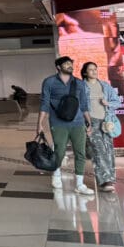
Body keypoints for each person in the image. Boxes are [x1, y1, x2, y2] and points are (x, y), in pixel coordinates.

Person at [39, 56, 93, 194]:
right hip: (58, 123)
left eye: (71, 63)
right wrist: (40, 124)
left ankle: (80, 184)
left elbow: (84, 104)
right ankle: (56, 174)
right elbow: (44, 104)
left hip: (78, 122)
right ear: (58, 67)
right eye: (66, 64)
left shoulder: (79, 83)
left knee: (80, 153)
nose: (70, 66)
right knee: (59, 151)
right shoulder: (49, 82)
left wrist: (89, 122)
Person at [81, 61, 120, 192]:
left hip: (106, 122)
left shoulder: (105, 86)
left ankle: (110, 178)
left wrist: (107, 102)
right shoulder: (81, 86)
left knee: (109, 151)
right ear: (85, 72)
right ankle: (104, 181)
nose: (94, 71)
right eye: (91, 69)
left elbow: (117, 102)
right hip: (91, 122)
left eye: (95, 69)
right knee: (98, 151)